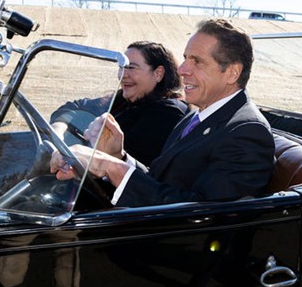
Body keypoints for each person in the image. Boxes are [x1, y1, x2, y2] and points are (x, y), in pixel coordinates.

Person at [50, 18, 275, 206]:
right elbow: (161, 182)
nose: (182, 69)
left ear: (232, 73)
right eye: (186, 58)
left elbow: (204, 216)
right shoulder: (198, 116)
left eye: (197, 61)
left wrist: (111, 167)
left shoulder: (247, 132)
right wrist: (119, 157)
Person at [50, 41, 188, 166]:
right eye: (122, 67)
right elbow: (76, 107)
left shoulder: (168, 112)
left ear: (158, 73)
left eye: (131, 68)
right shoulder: (124, 99)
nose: (123, 74)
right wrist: (59, 130)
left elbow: (129, 164)